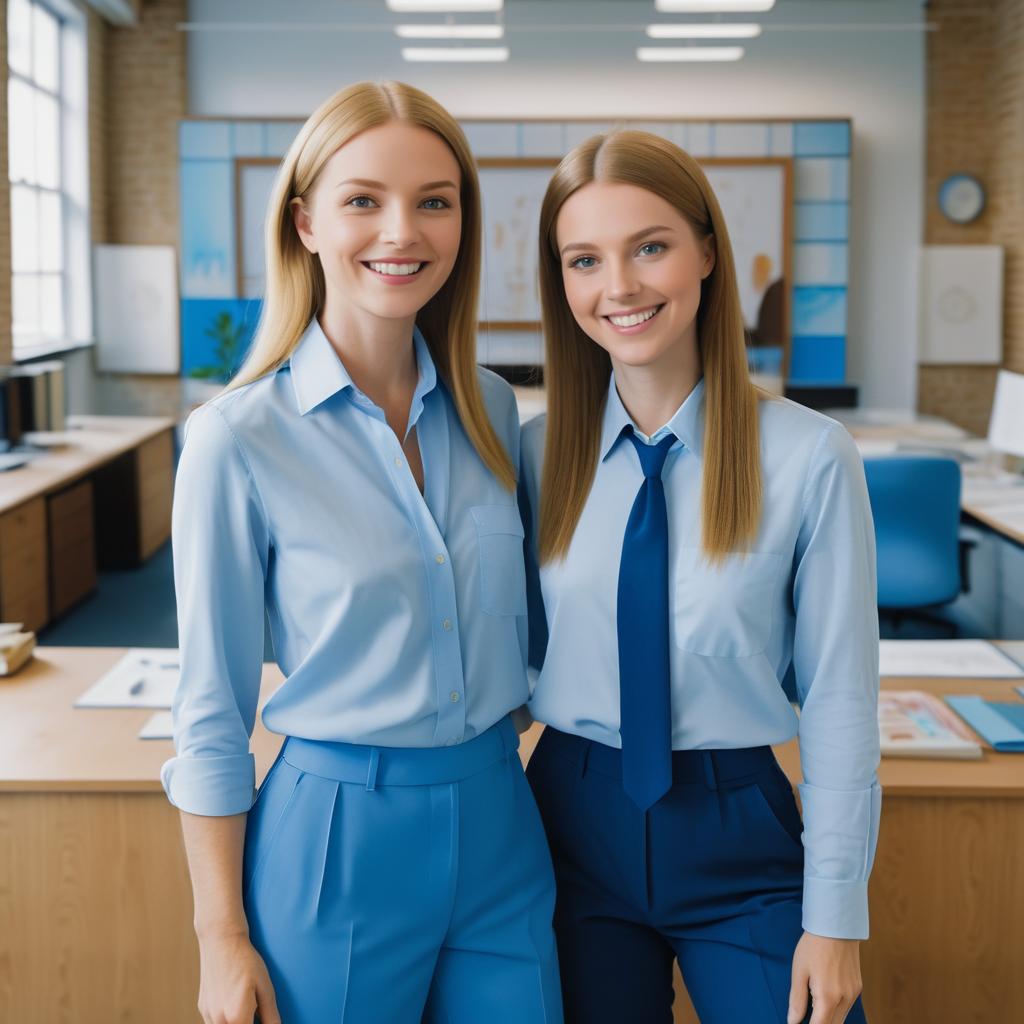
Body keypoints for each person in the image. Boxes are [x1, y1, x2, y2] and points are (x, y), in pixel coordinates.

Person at [163, 80, 562, 1024]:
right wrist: (220, 938)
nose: (403, 231)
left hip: (502, 819)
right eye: (362, 200)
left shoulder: (493, 412)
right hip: (336, 836)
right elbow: (212, 710)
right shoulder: (236, 437)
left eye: (435, 200)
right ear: (304, 222)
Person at [519, 129, 880, 1024]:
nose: (620, 287)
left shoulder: (809, 457)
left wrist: (835, 917)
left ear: (707, 251)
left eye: (651, 246)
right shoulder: (532, 456)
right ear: (561, 283)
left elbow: (839, 697)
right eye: (584, 259)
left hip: (740, 830)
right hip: (570, 819)